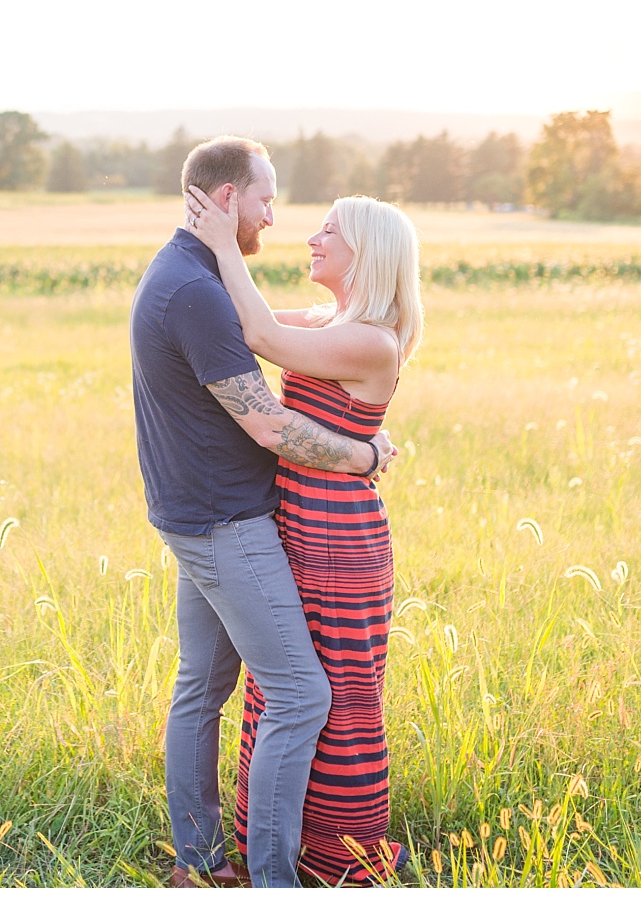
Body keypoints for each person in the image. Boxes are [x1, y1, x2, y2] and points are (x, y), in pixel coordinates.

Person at [131, 135, 396, 888]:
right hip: (226, 522)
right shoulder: (197, 293)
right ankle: (271, 881)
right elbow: (270, 426)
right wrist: (365, 456)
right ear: (226, 201)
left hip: (197, 512)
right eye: (266, 200)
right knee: (302, 694)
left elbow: (282, 335)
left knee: (201, 689)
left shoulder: (183, 273)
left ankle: (200, 864)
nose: (276, 218)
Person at [183, 184, 423, 886]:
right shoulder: (333, 319)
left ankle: (333, 860)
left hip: (335, 540)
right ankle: (277, 848)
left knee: (334, 697)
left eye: (328, 233)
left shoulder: (369, 340)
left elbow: (260, 337)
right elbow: (235, 317)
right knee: (283, 688)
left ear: (367, 254)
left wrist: (227, 242)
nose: (312, 240)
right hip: (300, 528)